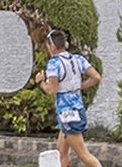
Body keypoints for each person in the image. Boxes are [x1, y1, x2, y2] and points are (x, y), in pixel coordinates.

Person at [33, 30, 101, 167]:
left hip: (67, 114)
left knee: (83, 155)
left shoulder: (54, 64)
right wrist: (79, 86)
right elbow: (96, 77)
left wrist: (40, 82)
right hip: (77, 109)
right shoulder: (78, 59)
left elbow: (52, 91)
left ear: (51, 46)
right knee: (61, 153)